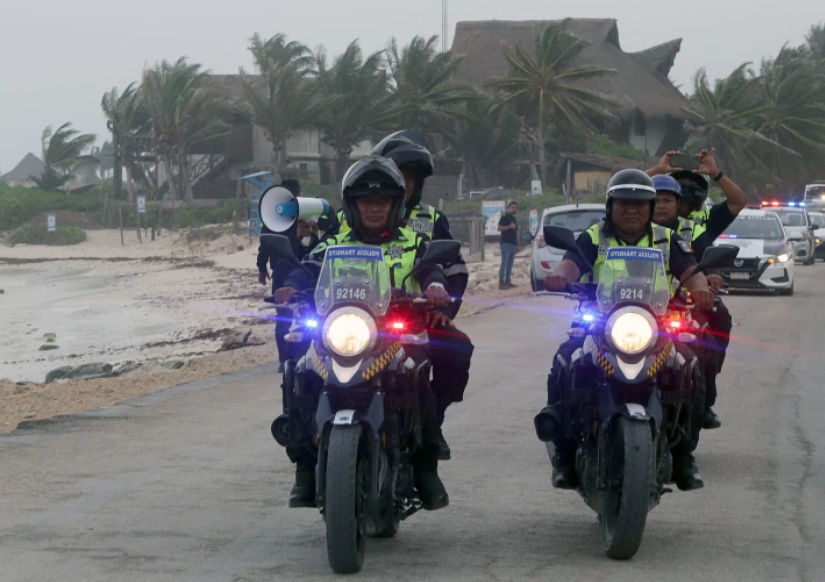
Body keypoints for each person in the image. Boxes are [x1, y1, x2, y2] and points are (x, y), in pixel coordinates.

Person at [275, 155, 454, 510]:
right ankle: (305, 467)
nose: (374, 209)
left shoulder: (413, 242)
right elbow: (308, 269)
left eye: (382, 201)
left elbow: (432, 268)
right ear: (353, 205)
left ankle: (425, 464)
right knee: (298, 371)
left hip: (393, 334)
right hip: (340, 333)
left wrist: (434, 287)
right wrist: (289, 285)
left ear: (395, 205)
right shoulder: (333, 243)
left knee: (420, 371)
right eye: (366, 202)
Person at [535, 169, 714, 492]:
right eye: (623, 204)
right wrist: (560, 275)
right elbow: (572, 262)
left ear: (649, 208)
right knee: (565, 360)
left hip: (656, 325)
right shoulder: (594, 236)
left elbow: (690, 269)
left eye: (639, 205)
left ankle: (685, 454)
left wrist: (700, 288)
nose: (631, 210)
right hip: (599, 322)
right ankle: (563, 453)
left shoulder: (667, 238)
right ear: (610, 207)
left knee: (690, 370)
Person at [648, 149, 746, 428]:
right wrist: (656, 170)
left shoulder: (695, 227)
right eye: (656, 199)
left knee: (708, 336)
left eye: (667, 200)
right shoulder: (634, 225)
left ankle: (703, 397)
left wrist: (711, 278)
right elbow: (620, 193)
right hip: (639, 297)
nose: (661, 205)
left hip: (685, 299)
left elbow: (702, 257)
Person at [257, 178, 308, 373]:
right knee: (304, 313)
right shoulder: (301, 213)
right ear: (298, 194)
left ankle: (285, 359)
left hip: (286, 271)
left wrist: (262, 268)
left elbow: (264, 245)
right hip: (300, 270)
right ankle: (294, 357)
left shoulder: (272, 215)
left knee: (284, 317)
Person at [497, 201, 519, 289]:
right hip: (506, 244)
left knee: (510, 264)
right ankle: (501, 283)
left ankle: (508, 281)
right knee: (504, 264)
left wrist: (518, 244)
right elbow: (499, 228)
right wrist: (509, 227)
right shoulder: (505, 217)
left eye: (515, 207)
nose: (514, 209)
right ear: (508, 208)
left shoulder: (514, 219)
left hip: (513, 244)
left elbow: (516, 232)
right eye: (512, 207)